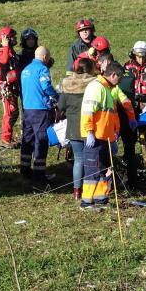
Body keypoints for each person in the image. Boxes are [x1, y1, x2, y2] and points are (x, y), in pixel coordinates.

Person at [80, 61, 137, 208]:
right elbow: (88, 111)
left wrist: (114, 133)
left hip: (105, 137)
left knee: (103, 170)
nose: (119, 82)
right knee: (92, 171)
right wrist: (89, 132)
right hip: (95, 137)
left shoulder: (107, 89)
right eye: (118, 79)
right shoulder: (96, 87)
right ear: (113, 75)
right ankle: (86, 202)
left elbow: (112, 114)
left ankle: (101, 199)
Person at [58, 58, 97, 200]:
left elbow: (60, 107)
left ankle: (76, 191)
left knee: (78, 160)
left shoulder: (68, 85)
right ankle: (90, 189)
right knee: (91, 160)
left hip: (73, 127)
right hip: (90, 127)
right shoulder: (94, 85)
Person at [20, 46, 58, 185]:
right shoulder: (42, 69)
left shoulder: (25, 70)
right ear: (44, 57)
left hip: (27, 109)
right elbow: (46, 86)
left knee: (27, 139)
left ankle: (24, 169)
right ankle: (39, 174)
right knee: (41, 140)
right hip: (40, 110)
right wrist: (56, 96)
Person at [0, 26, 20, 148]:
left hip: (12, 87)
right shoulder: (1, 52)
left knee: (14, 112)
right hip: (5, 88)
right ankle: (5, 138)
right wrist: (5, 46)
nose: (15, 39)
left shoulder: (11, 52)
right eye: (13, 37)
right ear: (6, 39)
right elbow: (3, 61)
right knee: (9, 112)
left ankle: (8, 136)